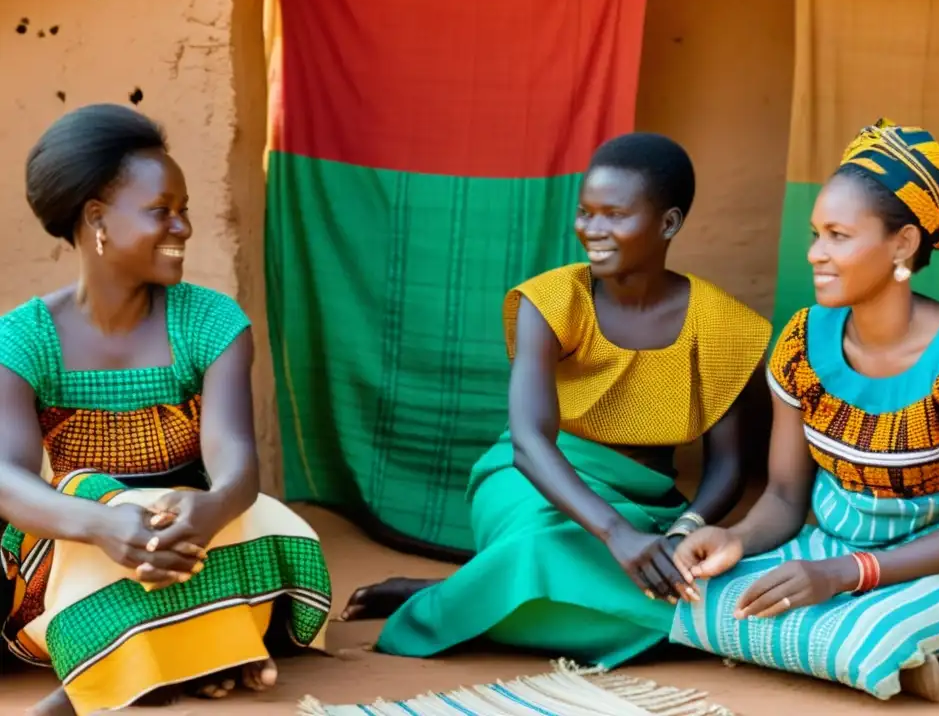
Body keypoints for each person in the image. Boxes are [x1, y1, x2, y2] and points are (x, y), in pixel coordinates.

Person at [341, 132, 772, 666]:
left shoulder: (724, 325)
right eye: (585, 213)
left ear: (668, 224)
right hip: (536, 482)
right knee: (543, 548)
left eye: (614, 215)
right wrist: (615, 535)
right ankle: (456, 600)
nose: (593, 231)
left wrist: (684, 530)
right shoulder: (551, 301)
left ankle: (481, 592)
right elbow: (527, 443)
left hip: (647, 509)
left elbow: (728, 465)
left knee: (685, 578)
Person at [670, 120, 939, 702]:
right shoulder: (803, 340)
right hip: (831, 541)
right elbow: (784, 497)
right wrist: (733, 538)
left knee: (864, 638)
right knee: (699, 596)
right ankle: (898, 648)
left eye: (838, 235)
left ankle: (919, 633)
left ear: (904, 243)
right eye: (815, 234)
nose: (815, 254)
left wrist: (841, 576)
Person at [0, 104, 332, 715]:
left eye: (184, 211)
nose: (182, 228)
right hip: (69, 541)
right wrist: (102, 524)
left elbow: (234, 460)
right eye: (162, 212)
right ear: (96, 218)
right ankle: (205, 648)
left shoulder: (212, 322)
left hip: (190, 536)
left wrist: (211, 505)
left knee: (273, 525)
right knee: (89, 489)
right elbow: (7, 481)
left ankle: (149, 661)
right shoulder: (22, 339)